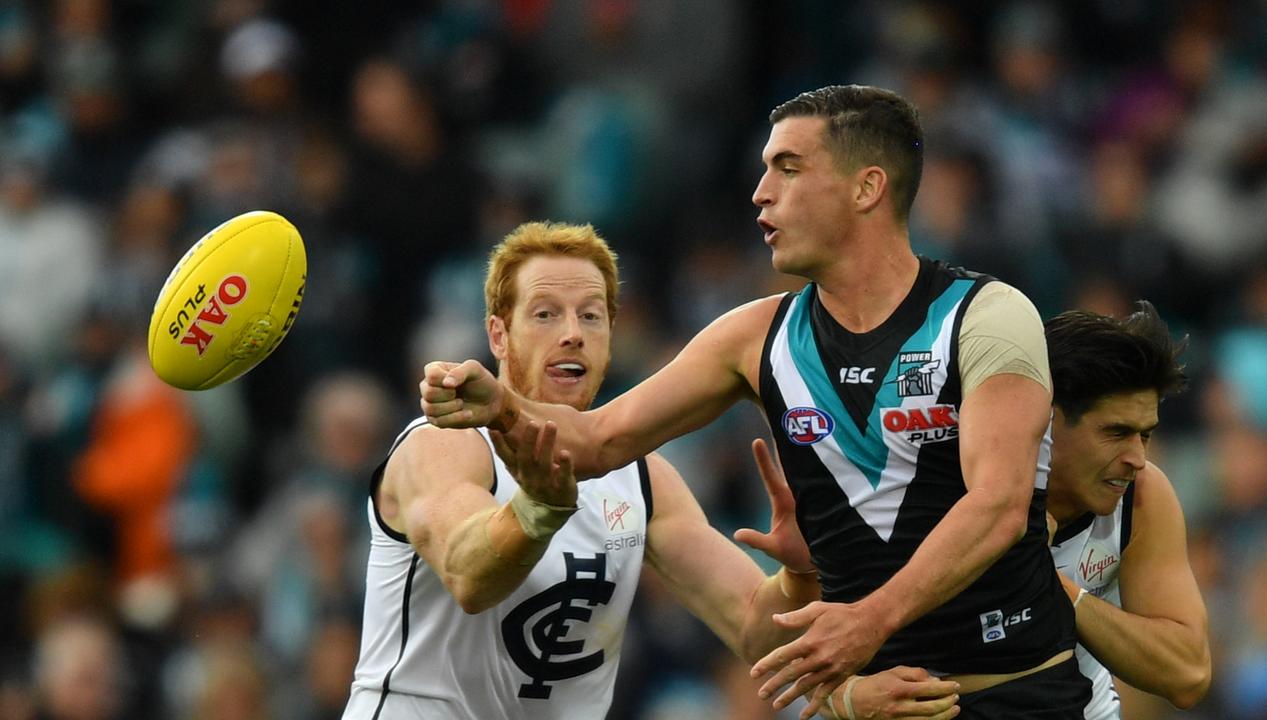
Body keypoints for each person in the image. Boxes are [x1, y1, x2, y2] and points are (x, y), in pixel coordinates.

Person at [422, 85, 1091, 719]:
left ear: (867, 188)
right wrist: (502, 405)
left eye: (789, 169)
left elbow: (999, 506)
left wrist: (868, 620)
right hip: (868, 704)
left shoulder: (987, 317)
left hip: (1015, 694)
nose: (760, 193)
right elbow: (594, 442)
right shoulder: (754, 336)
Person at [343, 221, 962, 720]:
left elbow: (755, 631)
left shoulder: (642, 479)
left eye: (591, 316)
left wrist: (801, 570)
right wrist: (539, 507)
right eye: (545, 314)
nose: (572, 335)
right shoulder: (445, 444)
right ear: (498, 336)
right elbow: (468, 575)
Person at [1044, 302, 1211, 718]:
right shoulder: (952, 487)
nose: (1137, 457)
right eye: (1116, 432)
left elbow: (1187, 672)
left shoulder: (1144, 495)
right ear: (1044, 419)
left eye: (1146, 434)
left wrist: (1053, 587)